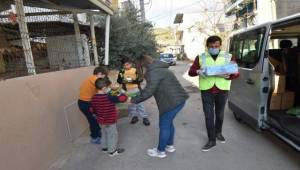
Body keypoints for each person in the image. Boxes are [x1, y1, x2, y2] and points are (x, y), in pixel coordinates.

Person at [130, 54, 189, 158]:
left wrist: (132, 100)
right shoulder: (158, 68)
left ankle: (160, 151)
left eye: (138, 67)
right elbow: (151, 88)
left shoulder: (153, 72)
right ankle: (169, 146)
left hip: (171, 102)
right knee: (169, 123)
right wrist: (137, 95)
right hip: (179, 100)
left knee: (164, 125)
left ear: (142, 65)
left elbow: (149, 91)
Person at [188, 35, 239, 152]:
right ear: (207, 47)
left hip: (222, 90)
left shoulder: (228, 56)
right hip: (207, 90)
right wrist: (197, 71)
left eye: (216, 46)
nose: (214, 48)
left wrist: (230, 75)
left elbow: (236, 72)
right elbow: (191, 72)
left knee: (220, 114)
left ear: (220, 45)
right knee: (209, 115)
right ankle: (211, 140)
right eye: (211, 46)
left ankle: (218, 132)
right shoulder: (201, 57)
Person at [91, 77, 127, 157]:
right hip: (110, 121)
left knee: (104, 134)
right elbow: (123, 98)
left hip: (100, 121)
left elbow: (92, 109)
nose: (109, 89)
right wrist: (121, 91)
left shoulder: (93, 97)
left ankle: (105, 148)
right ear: (104, 88)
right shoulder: (109, 97)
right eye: (108, 87)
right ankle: (112, 151)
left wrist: (97, 115)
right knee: (112, 135)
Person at [78, 67, 108, 144]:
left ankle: (98, 134)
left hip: (85, 102)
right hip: (85, 103)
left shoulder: (91, 78)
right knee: (93, 120)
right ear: (99, 74)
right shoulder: (94, 79)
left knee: (95, 119)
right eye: (103, 76)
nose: (103, 79)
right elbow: (103, 90)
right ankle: (94, 138)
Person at [117, 56, 150, 126]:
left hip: (136, 90)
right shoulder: (122, 71)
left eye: (128, 64)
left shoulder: (135, 70)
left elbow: (140, 80)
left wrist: (129, 81)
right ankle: (134, 116)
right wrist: (123, 82)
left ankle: (144, 117)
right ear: (123, 65)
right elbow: (119, 80)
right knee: (131, 105)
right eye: (124, 65)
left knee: (139, 104)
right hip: (128, 91)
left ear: (131, 64)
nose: (126, 66)